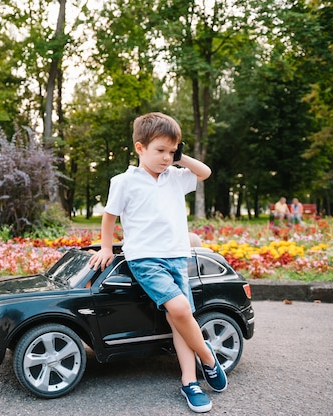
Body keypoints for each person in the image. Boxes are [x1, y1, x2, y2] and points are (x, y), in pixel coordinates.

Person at [88, 112, 227, 413]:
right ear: (140, 148)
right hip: (146, 258)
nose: (167, 157)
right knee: (179, 309)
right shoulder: (124, 181)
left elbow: (205, 172)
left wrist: (181, 157)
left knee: (181, 322)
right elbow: (110, 215)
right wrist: (106, 247)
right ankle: (208, 357)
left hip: (177, 255)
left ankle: (190, 382)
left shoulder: (175, 177)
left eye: (172, 151)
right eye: (160, 151)